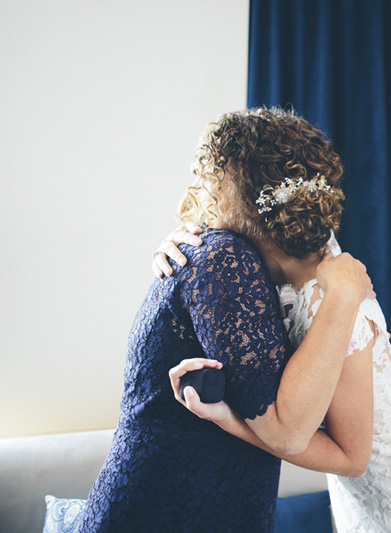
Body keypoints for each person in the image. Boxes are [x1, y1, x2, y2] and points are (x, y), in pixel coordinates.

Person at [156, 107, 391, 532]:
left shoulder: (329, 299)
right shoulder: (301, 257)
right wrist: (173, 244)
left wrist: (227, 419)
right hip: (367, 497)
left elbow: (352, 458)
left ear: (250, 207)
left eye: (216, 191)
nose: (207, 205)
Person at [77, 108, 374, 533]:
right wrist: (344, 296)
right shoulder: (222, 257)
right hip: (168, 513)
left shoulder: (268, 260)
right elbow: (288, 432)